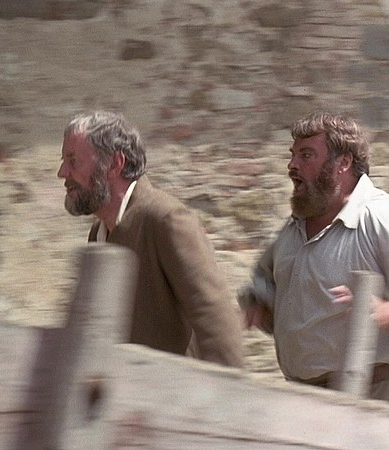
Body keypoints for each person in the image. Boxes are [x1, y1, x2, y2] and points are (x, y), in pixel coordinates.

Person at [57, 110, 243, 368]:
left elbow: (216, 319)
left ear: (114, 164)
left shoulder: (165, 218)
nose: (62, 172)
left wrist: (222, 389)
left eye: (73, 161)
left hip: (174, 390)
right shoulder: (98, 234)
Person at [240, 111, 389, 398]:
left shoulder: (379, 217)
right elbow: (266, 283)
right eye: (293, 155)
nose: (292, 165)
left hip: (375, 400)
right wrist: (259, 306)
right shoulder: (293, 228)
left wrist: (384, 312)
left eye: (306, 155)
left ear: (343, 163)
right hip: (303, 399)